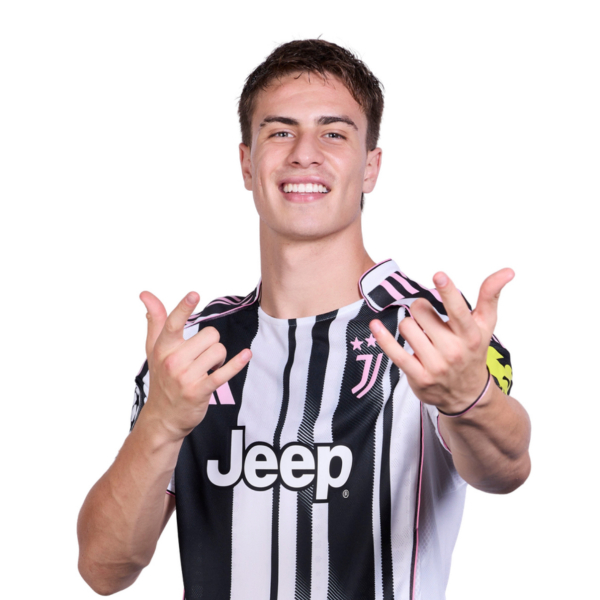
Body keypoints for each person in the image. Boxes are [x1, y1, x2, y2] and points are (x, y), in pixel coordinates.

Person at [77, 39, 531, 600]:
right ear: (247, 163)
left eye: (334, 133)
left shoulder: (438, 334)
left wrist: (469, 398)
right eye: (280, 132)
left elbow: (507, 470)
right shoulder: (193, 350)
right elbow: (104, 569)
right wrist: (161, 423)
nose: (304, 154)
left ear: (370, 167)